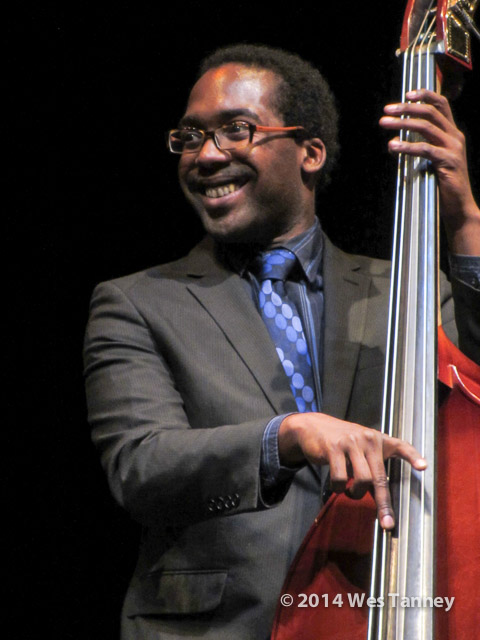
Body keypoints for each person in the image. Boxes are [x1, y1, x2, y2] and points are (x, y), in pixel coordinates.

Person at [84, 44, 480, 639]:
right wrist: (285, 436)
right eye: (191, 136)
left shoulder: (407, 293)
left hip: (378, 615)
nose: (207, 155)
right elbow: (141, 467)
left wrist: (466, 219)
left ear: (310, 153)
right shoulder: (136, 302)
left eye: (236, 130)